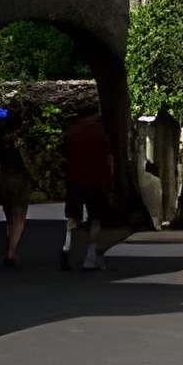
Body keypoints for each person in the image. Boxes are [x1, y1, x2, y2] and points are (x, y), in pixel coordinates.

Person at [61, 107, 117, 273]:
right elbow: (109, 158)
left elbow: (64, 156)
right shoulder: (100, 132)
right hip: (97, 180)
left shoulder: (71, 132)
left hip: (75, 179)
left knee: (73, 217)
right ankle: (90, 258)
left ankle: (67, 248)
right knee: (96, 218)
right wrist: (111, 179)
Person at [0, 106, 37, 270]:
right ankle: (11, 253)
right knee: (19, 217)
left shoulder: (0, 140)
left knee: (9, 216)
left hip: (4, 178)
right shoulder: (19, 140)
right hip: (18, 178)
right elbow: (27, 161)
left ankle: (9, 249)